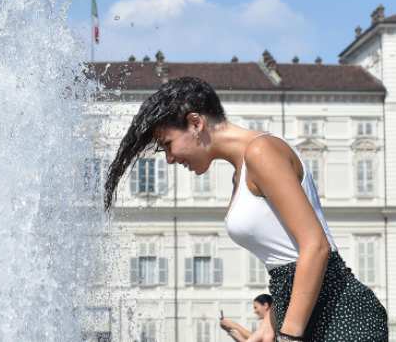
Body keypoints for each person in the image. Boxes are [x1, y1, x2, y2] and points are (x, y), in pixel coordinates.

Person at [104, 77, 388, 341]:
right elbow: (286, 257)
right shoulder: (241, 170)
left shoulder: (261, 151)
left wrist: (289, 334)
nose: (169, 158)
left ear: (195, 123)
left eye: (167, 144)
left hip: (341, 315)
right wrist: (270, 323)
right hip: (309, 313)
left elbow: (316, 247)